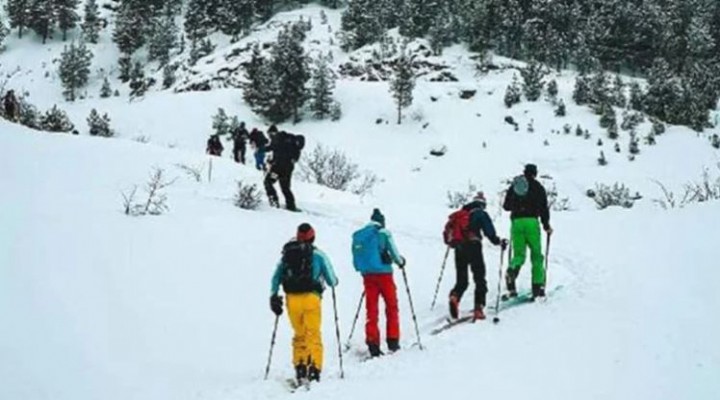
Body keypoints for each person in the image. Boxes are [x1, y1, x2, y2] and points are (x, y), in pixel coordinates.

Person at [270, 223, 339, 384]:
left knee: (299, 333)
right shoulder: (318, 255)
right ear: (313, 237)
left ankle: (300, 367)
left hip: (292, 299)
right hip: (311, 298)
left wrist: (273, 295)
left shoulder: (287, 254)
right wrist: (334, 281)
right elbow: (331, 280)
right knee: (313, 334)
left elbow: (276, 276)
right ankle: (314, 368)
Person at [351, 209, 406, 358]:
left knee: (372, 309)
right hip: (385, 276)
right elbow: (395, 254)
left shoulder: (361, 235)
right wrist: (401, 262)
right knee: (391, 307)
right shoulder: (383, 233)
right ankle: (393, 340)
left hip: (368, 276)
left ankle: (372, 342)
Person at [446, 192, 507, 321]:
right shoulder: (480, 213)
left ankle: (455, 296)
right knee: (479, 278)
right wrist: (498, 241)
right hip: (474, 246)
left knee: (462, 279)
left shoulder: (460, 214)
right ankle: (478, 308)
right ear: (482, 204)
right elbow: (489, 232)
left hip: (459, 248)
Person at [502, 164, 552, 299]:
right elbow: (543, 208)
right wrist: (546, 225)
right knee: (536, 256)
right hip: (531, 222)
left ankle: (512, 271)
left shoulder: (516, 185)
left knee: (519, 254)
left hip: (516, 223)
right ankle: (537, 288)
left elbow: (506, 206)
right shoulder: (538, 187)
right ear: (535, 173)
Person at [264, 125, 304, 211]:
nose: (269, 137)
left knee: (268, 182)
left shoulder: (277, 139)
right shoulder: (289, 139)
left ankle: (274, 201)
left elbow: (273, 149)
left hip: (277, 168)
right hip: (288, 169)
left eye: (269, 134)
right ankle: (291, 206)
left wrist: (262, 149)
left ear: (272, 133)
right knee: (285, 187)